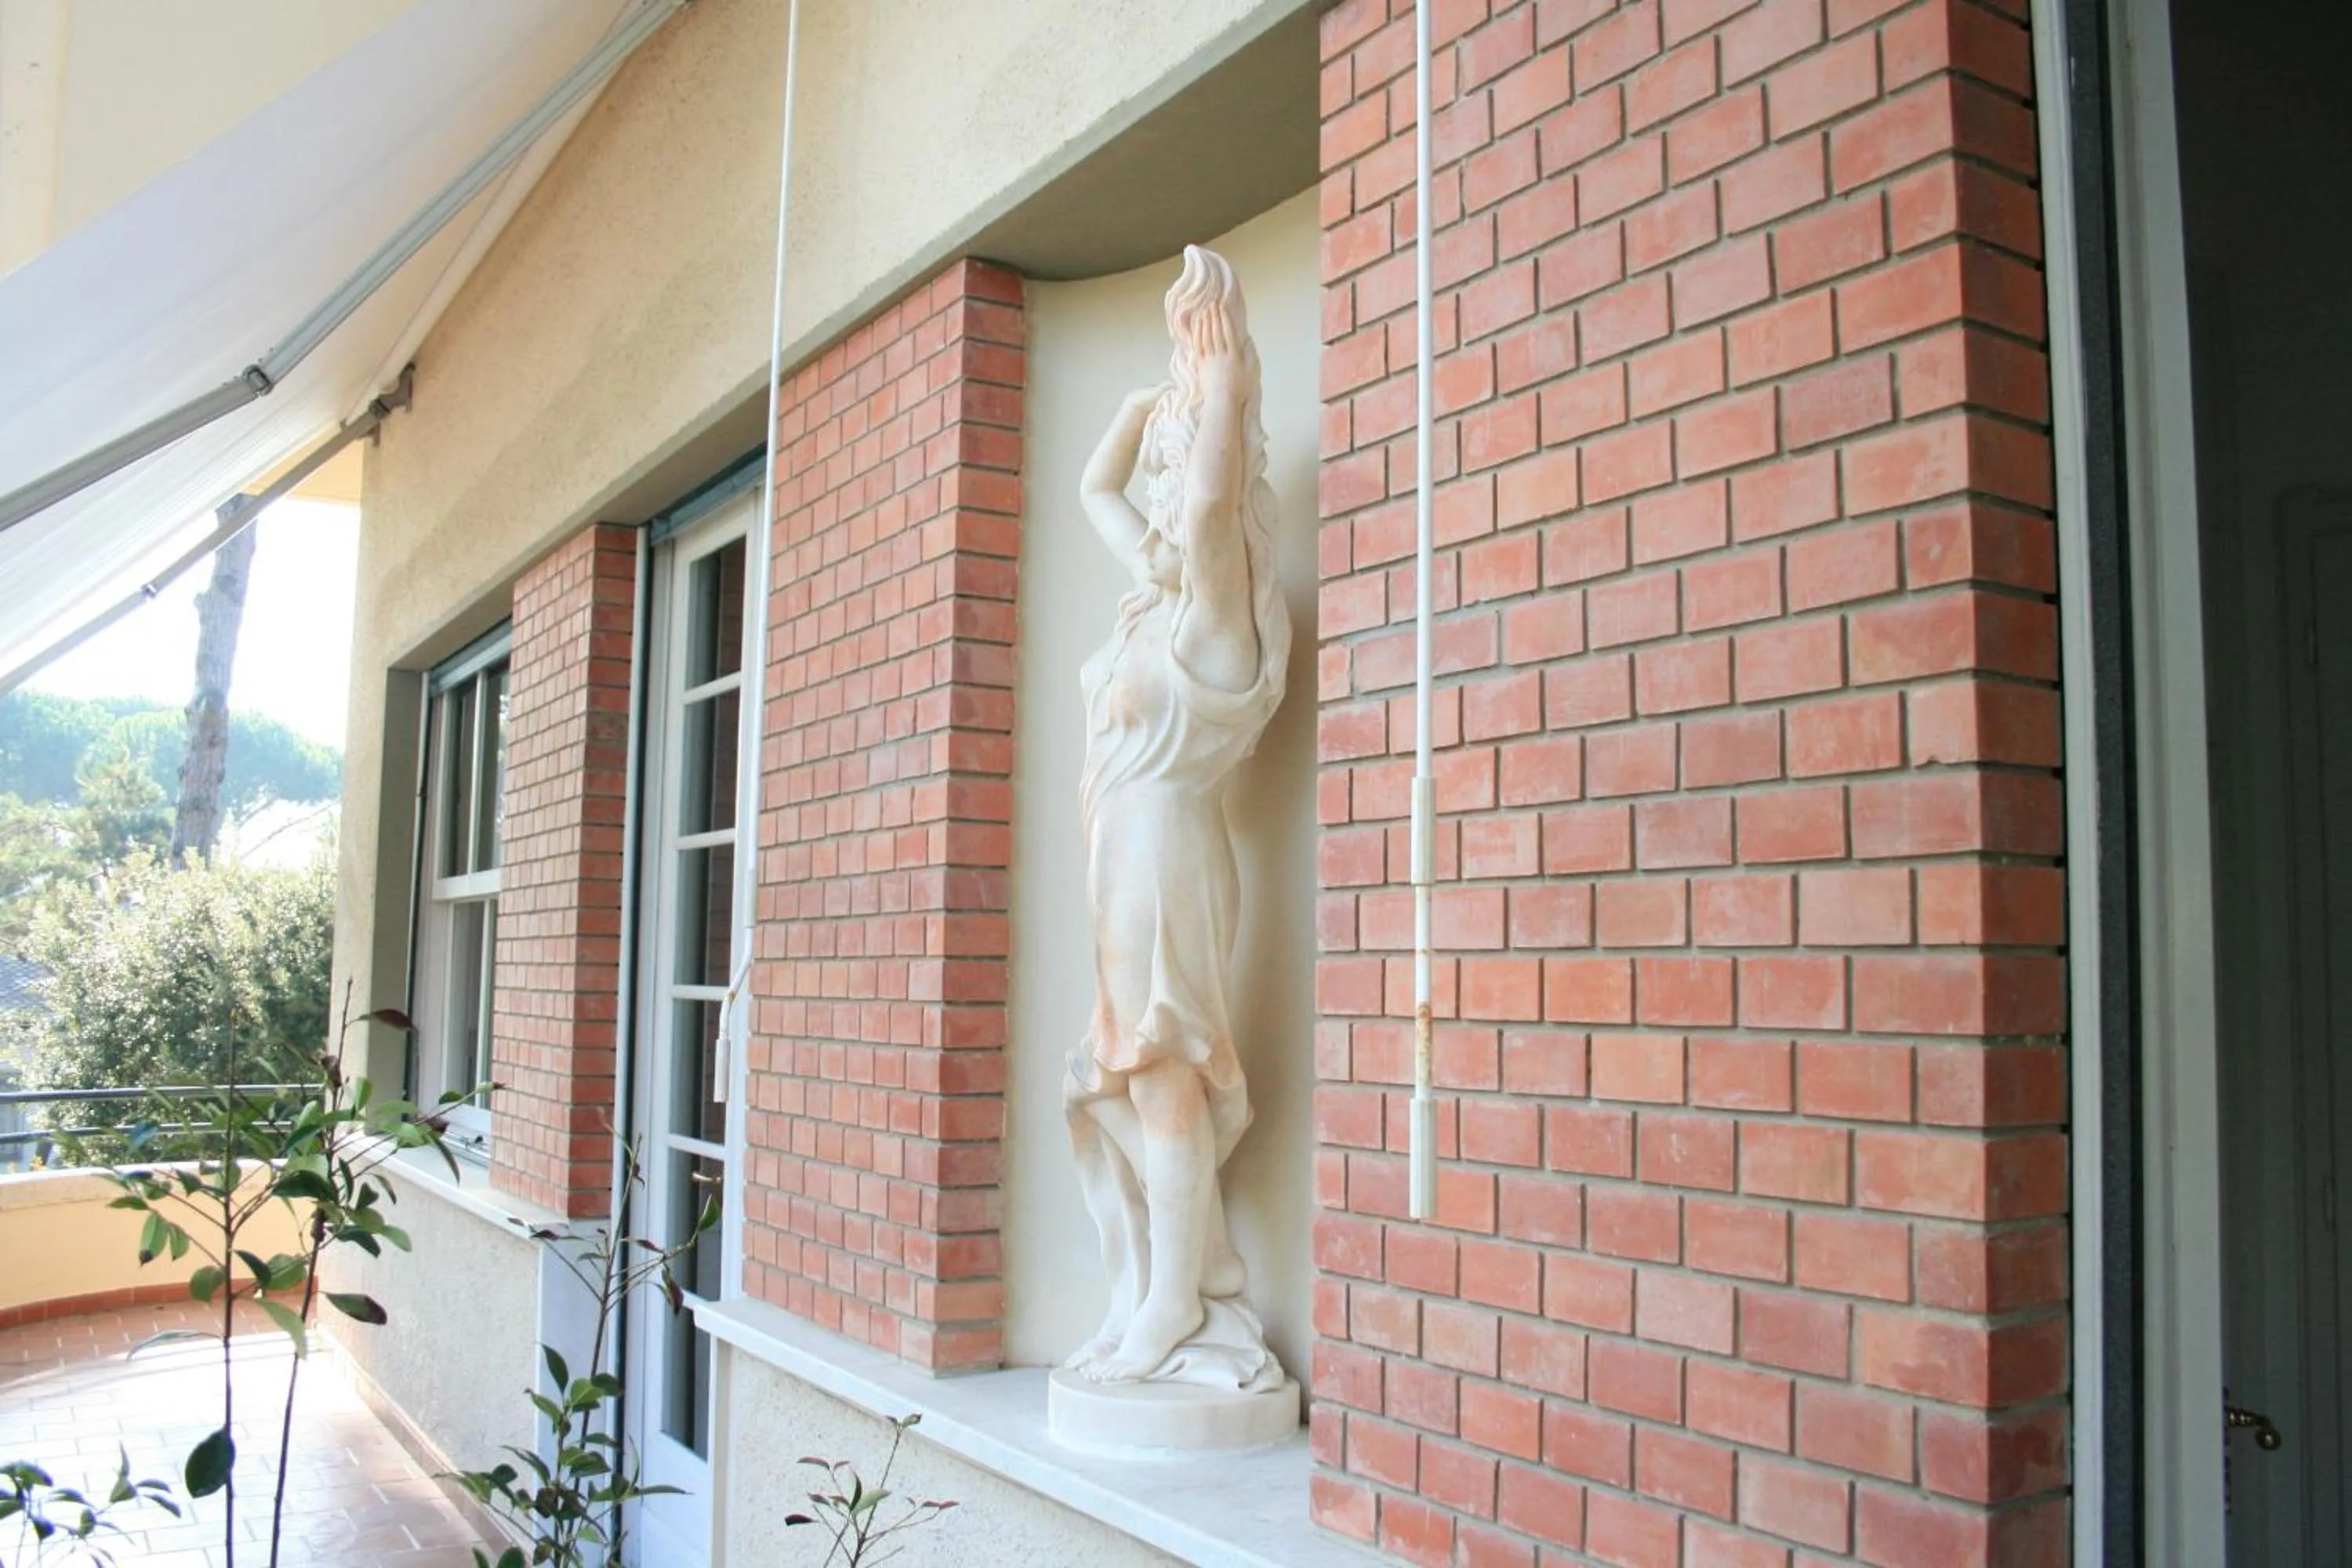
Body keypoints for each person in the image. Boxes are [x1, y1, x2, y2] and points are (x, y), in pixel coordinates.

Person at [1062, 245, 1291, 1390]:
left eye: (1178, 461)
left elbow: (1205, 503)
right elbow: (1094, 491)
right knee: (1133, 1071)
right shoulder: (1152, 602)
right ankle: (1172, 1283)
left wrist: (1224, 392)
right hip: (1122, 865)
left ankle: (1171, 1307)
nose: (1163, 481)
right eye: (1162, 463)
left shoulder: (1219, 618)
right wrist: (1144, 403)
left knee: (1163, 1070)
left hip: (1168, 856)